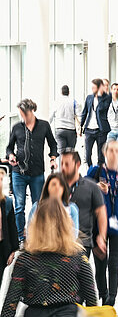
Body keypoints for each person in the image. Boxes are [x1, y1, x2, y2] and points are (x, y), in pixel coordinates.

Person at [0, 199, 98, 317]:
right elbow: (90, 294)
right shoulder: (78, 256)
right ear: (66, 224)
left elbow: (12, 300)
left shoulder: (25, 259)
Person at [86, 140, 118, 306]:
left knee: (114, 265)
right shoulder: (95, 171)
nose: (114, 154)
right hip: (98, 226)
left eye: (117, 151)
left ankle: (111, 300)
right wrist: (96, 186)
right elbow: (82, 188)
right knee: (100, 265)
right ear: (105, 153)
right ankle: (103, 294)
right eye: (111, 151)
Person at [6, 99, 59, 240]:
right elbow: (9, 147)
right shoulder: (17, 127)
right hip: (19, 172)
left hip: (37, 173)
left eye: (24, 114)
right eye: (21, 114)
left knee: (38, 206)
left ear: (31, 111)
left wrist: (53, 158)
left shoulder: (44, 125)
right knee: (19, 207)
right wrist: (11, 155)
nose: (22, 117)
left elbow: (53, 144)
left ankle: (37, 237)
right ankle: (20, 238)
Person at [59, 150, 108, 259]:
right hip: (59, 243)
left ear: (77, 165)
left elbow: (101, 212)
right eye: (62, 164)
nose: (63, 167)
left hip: (82, 243)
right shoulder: (56, 186)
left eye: (67, 164)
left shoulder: (91, 187)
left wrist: (101, 237)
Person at [50, 85, 80, 151]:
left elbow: (51, 116)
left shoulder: (56, 102)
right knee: (71, 151)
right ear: (69, 92)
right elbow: (79, 115)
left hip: (60, 129)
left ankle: (61, 158)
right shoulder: (74, 102)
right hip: (71, 130)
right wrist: (80, 128)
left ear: (61, 92)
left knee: (60, 150)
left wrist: (47, 127)